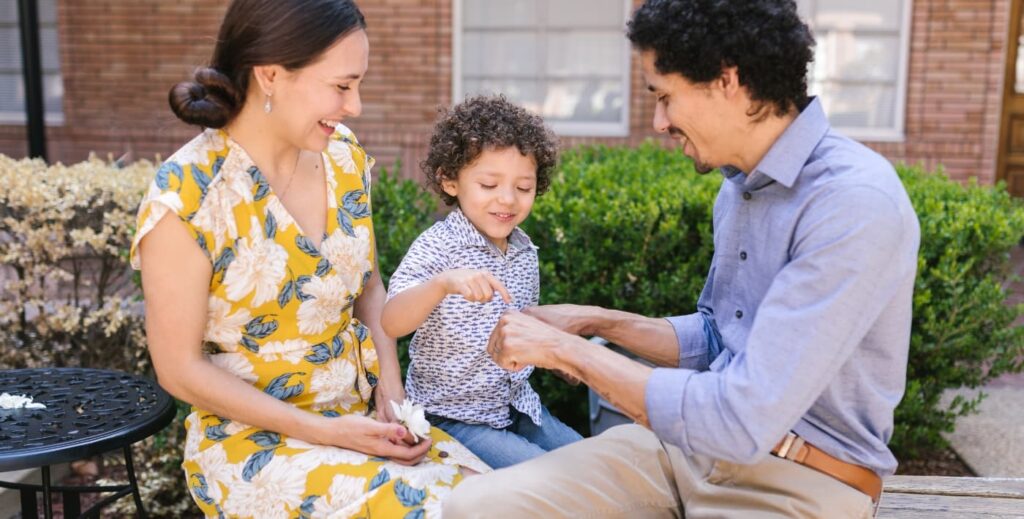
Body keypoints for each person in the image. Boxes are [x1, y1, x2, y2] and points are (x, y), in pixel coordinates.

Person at [444, 0, 921, 517]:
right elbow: (719, 337)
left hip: (799, 477)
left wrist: (566, 352)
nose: (658, 120)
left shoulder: (851, 204)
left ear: (726, 81)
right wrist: (592, 321)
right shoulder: (739, 188)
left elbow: (742, 417)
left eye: (665, 96)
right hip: (681, 453)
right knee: (478, 506)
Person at [131, 1, 487, 517]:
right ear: (271, 74)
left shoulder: (344, 157)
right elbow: (179, 368)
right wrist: (327, 432)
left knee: (497, 496)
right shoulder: (187, 195)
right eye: (342, 86)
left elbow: (368, 287)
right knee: (441, 508)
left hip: (361, 419)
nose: (356, 105)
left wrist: (391, 387)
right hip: (254, 447)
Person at [381, 95, 583, 469]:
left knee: (599, 463)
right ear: (450, 180)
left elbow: (522, 333)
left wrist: (556, 358)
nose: (507, 199)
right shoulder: (438, 246)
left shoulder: (524, 251)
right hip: (455, 418)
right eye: (489, 184)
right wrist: (441, 284)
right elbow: (391, 321)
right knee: (551, 480)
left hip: (517, 405)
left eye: (523, 188)